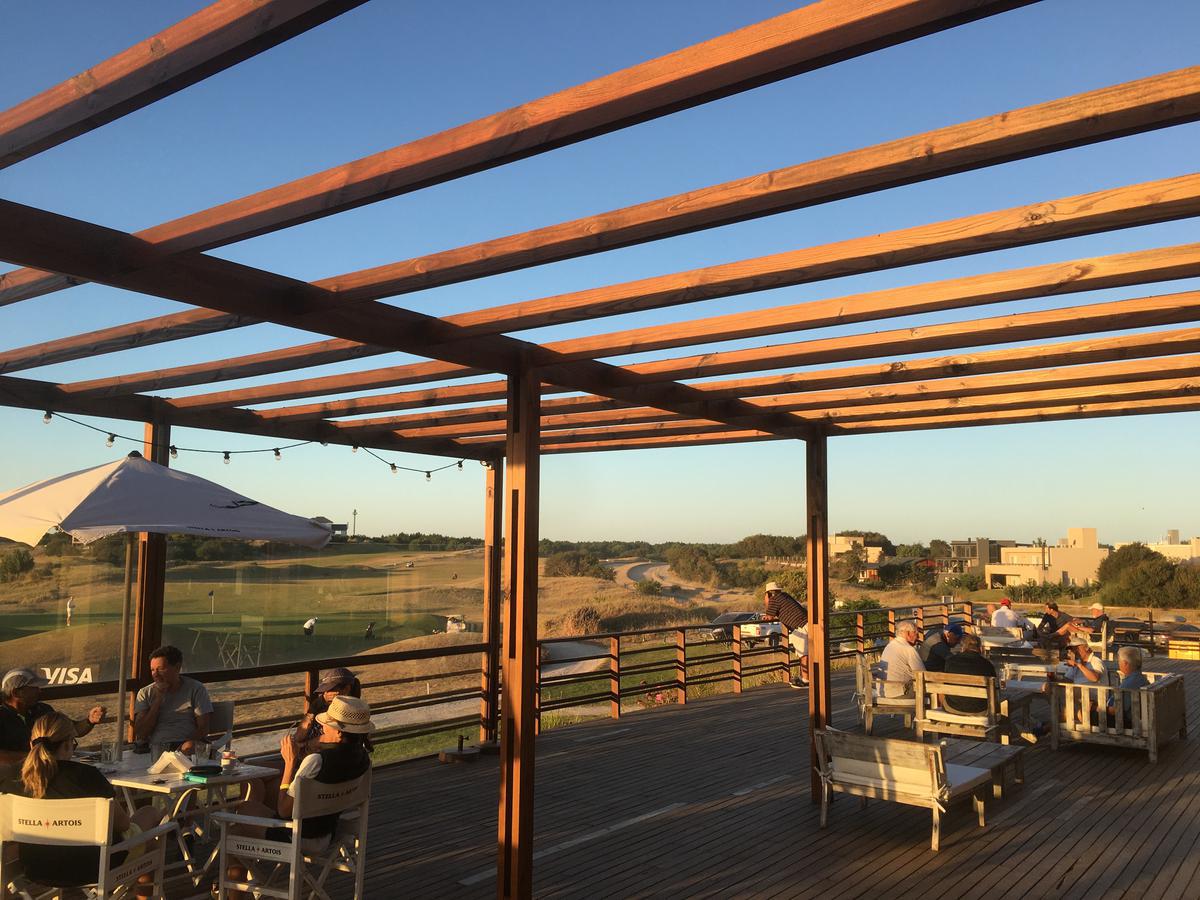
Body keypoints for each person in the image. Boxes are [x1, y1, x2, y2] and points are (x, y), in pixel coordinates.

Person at [220, 697, 374, 899]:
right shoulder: (362, 760)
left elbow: (284, 810)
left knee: (242, 818)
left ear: (338, 732)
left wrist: (290, 763)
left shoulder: (316, 761)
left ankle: (239, 890)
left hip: (299, 837)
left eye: (326, 725)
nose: (322, 728)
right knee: (247, 821)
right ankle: (250, 875)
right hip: (327, 833)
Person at [9, 712, 164, 893]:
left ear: (31, 745)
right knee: (150, 828)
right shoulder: (86, 777)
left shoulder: (16, 783)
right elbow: (122, 824)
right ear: (68, 744)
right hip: (92, 868)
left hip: (36, 868)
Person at [0, 668, 105, 767]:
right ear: (16, 693)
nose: (39, 691)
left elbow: (72, 730)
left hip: (48, 772)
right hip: (12, 779)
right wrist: (36, 757)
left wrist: (89, 721)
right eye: (34, 687)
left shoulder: (43, 709)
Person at [133, 646, 212, 754]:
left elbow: (203, 727)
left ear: (177, 668)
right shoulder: (145, 693)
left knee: (190, 747)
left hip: (186, 745)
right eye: (152, 670)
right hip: (157, 747)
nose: (155, 674)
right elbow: (141, 733)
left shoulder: (195, 689)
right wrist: (157, 701)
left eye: (160, 669)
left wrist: (186, 744)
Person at [760, 581, 808, 687]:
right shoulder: (784, 596)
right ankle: (807, 677)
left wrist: (767, 601)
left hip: (800, 626)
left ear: (768, 593)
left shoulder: (774, 599)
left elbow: (769, 617)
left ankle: (806, 680)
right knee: (807, 653)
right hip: (806, 623)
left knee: (804, 653)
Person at [943, 634, 997, 714]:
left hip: (952, 707)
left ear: (963, 647)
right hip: (979, 709)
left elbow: (945, 684)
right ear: (980, 648)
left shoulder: (950, 661)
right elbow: (994, 689)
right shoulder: (987, 664)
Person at [1105, 646, 1149, 725]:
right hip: (1134, 716)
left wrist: (1095, 707)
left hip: (1126, 722)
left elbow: (1116, 710)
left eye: (1119, 661)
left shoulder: (1129, 684)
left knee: (1088, 712)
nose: (1118, 663)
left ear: (1125, 663)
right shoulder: (1139, 678)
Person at [878, 621, 924, 698]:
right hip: (899, 693)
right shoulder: (908, 649)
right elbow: (923, 674)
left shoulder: (890, 646)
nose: (918, 637)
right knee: (938, 688)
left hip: (884, 692)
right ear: (908, 634)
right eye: (916, 633)